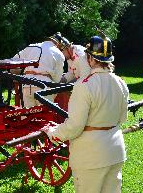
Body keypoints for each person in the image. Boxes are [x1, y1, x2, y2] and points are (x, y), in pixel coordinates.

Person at [42, 35, 129, 193]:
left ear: (89, 58)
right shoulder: (121, 82)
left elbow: (74, 126)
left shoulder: (84, 85)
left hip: (91, 156)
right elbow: (123, 118)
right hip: (116, 151)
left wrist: (52, 133)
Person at [13, 34, 65, 108]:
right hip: (44, 86)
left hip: (27, 84)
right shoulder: (59, 53)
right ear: (58, 44)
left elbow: (14, 61)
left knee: (26, 116)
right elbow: (57, 78)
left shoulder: (31, 47)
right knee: (46, 115)